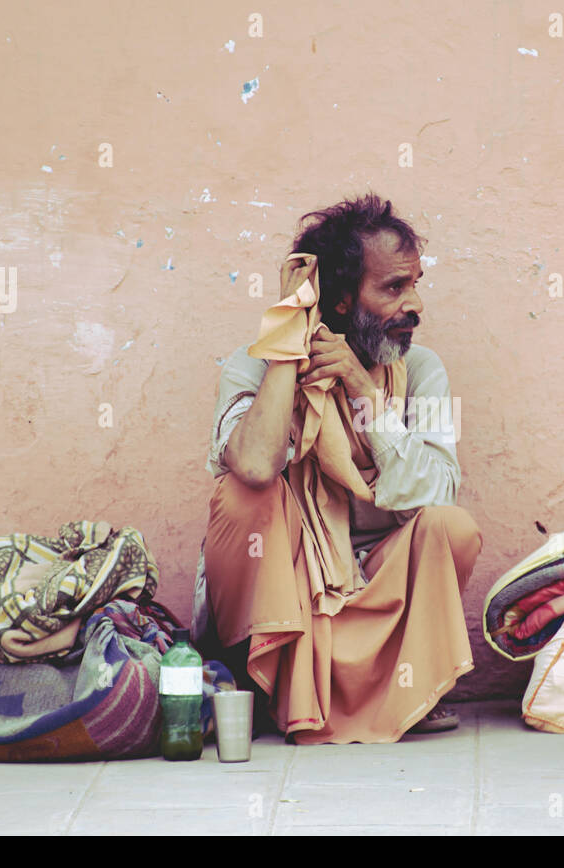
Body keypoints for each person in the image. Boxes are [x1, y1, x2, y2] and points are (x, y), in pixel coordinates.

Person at [202, 193, 482, 745]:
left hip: (379, 578)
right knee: (242, 497)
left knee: (452, 529)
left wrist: (361, 390)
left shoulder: (421, 369)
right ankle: (267, 683)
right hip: (285, 585)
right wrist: (287, 352)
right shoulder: (253, 365)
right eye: (394, 287)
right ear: (339, 302)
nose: (416, 303)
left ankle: (406, 686)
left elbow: (439, 489)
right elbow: (256, 465)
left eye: (416, 282)